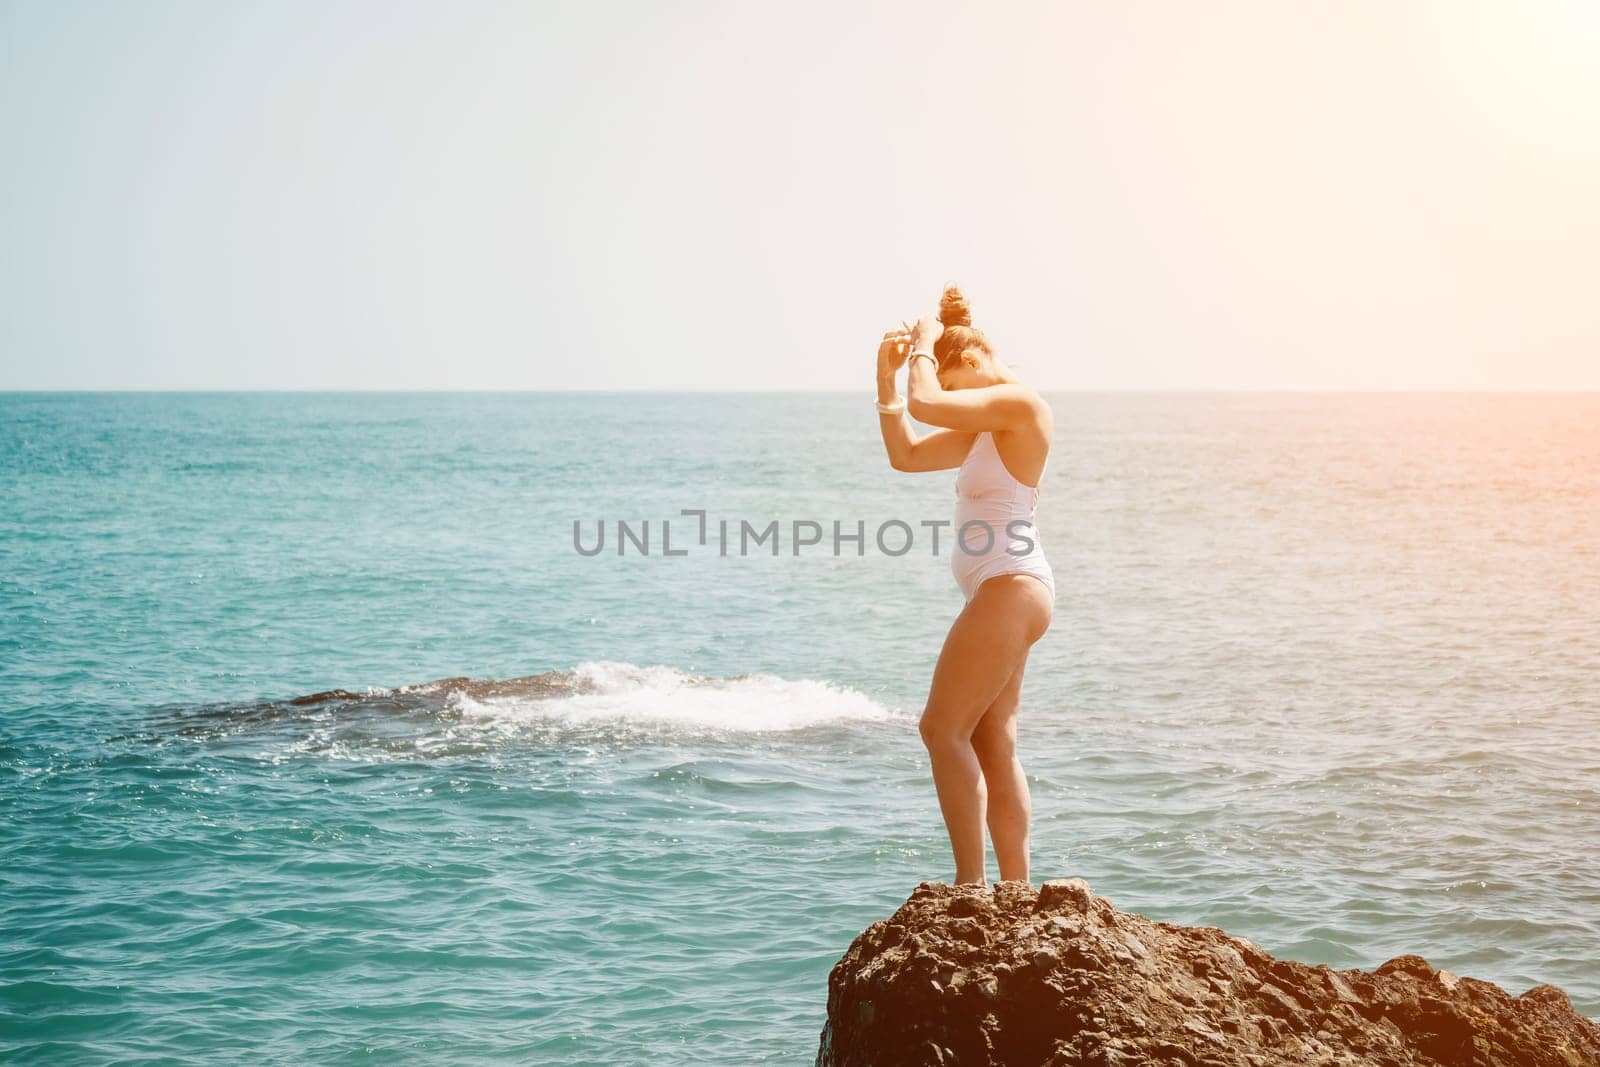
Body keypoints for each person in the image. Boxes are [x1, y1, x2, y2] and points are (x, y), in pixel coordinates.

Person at [874, 283, 1055, 886]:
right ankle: (1015, 890)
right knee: (990, 740)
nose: (950, 400)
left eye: (954, 386)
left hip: (1011, 584)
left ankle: (970, 889)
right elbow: (906, 454)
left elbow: (926, 404)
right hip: (1002, 590)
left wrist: (923, 348)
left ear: (973, 364)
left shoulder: (1020, 405)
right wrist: (884, 383)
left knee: (940, 729)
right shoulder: (987, 428)